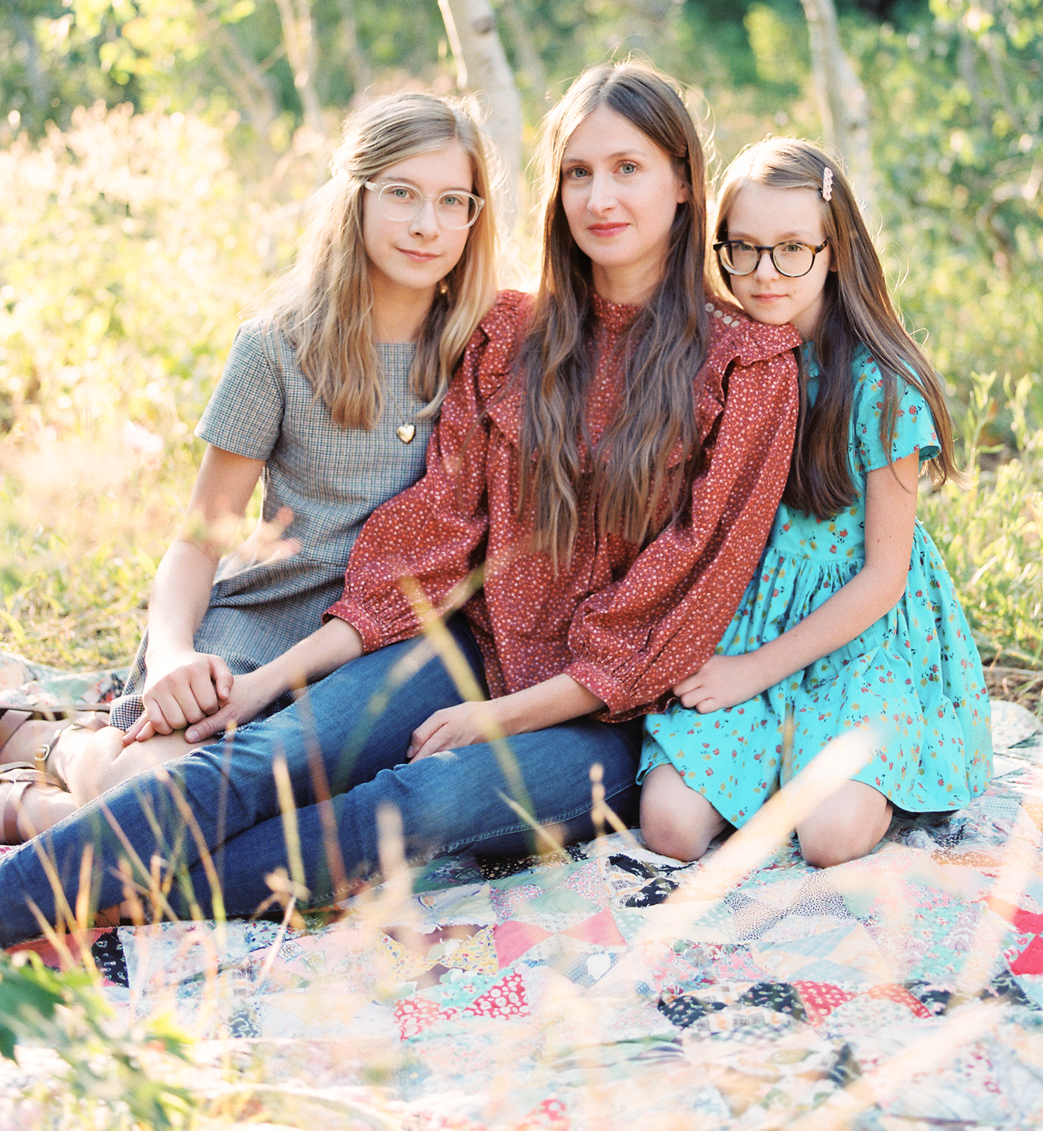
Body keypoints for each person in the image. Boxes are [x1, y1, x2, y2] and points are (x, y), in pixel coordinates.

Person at [0, 61, 800, 945]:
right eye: (577, 172)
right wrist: (266, 682)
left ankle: (80, 865)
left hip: (608, 721)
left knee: (416, 804)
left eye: (628, 168)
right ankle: (42, 866)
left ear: (684, 182)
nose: (599, 198)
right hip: (460, 648)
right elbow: (433, 538)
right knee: (276, 755)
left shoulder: (748, 366)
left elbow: (674, 607)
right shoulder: (507, 334)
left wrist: (495, 719)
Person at [0, 91, 498, 843]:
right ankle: (55, 748)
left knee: (284, 828)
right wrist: (172, 654)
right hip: (263, 626)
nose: (427, 224)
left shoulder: (488, 351)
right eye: (401, 194)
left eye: (450, 200)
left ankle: (39, 805)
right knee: (162, 800)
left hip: (380, 654)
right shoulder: (276, 348)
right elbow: (199, 540)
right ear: (354, 198)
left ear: (473, 215)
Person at [639, 138, 992, 868]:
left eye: (793, 249)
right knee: (669, 827)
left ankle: (868, 768)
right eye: (745, 249)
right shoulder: (725, 361)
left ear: (837, 250)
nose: (765, 274)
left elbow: (883, 578)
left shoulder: (878, 385)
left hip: (861, 638)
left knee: (829, 838)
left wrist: (755, 671)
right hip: (751, 614)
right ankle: (766, 766)